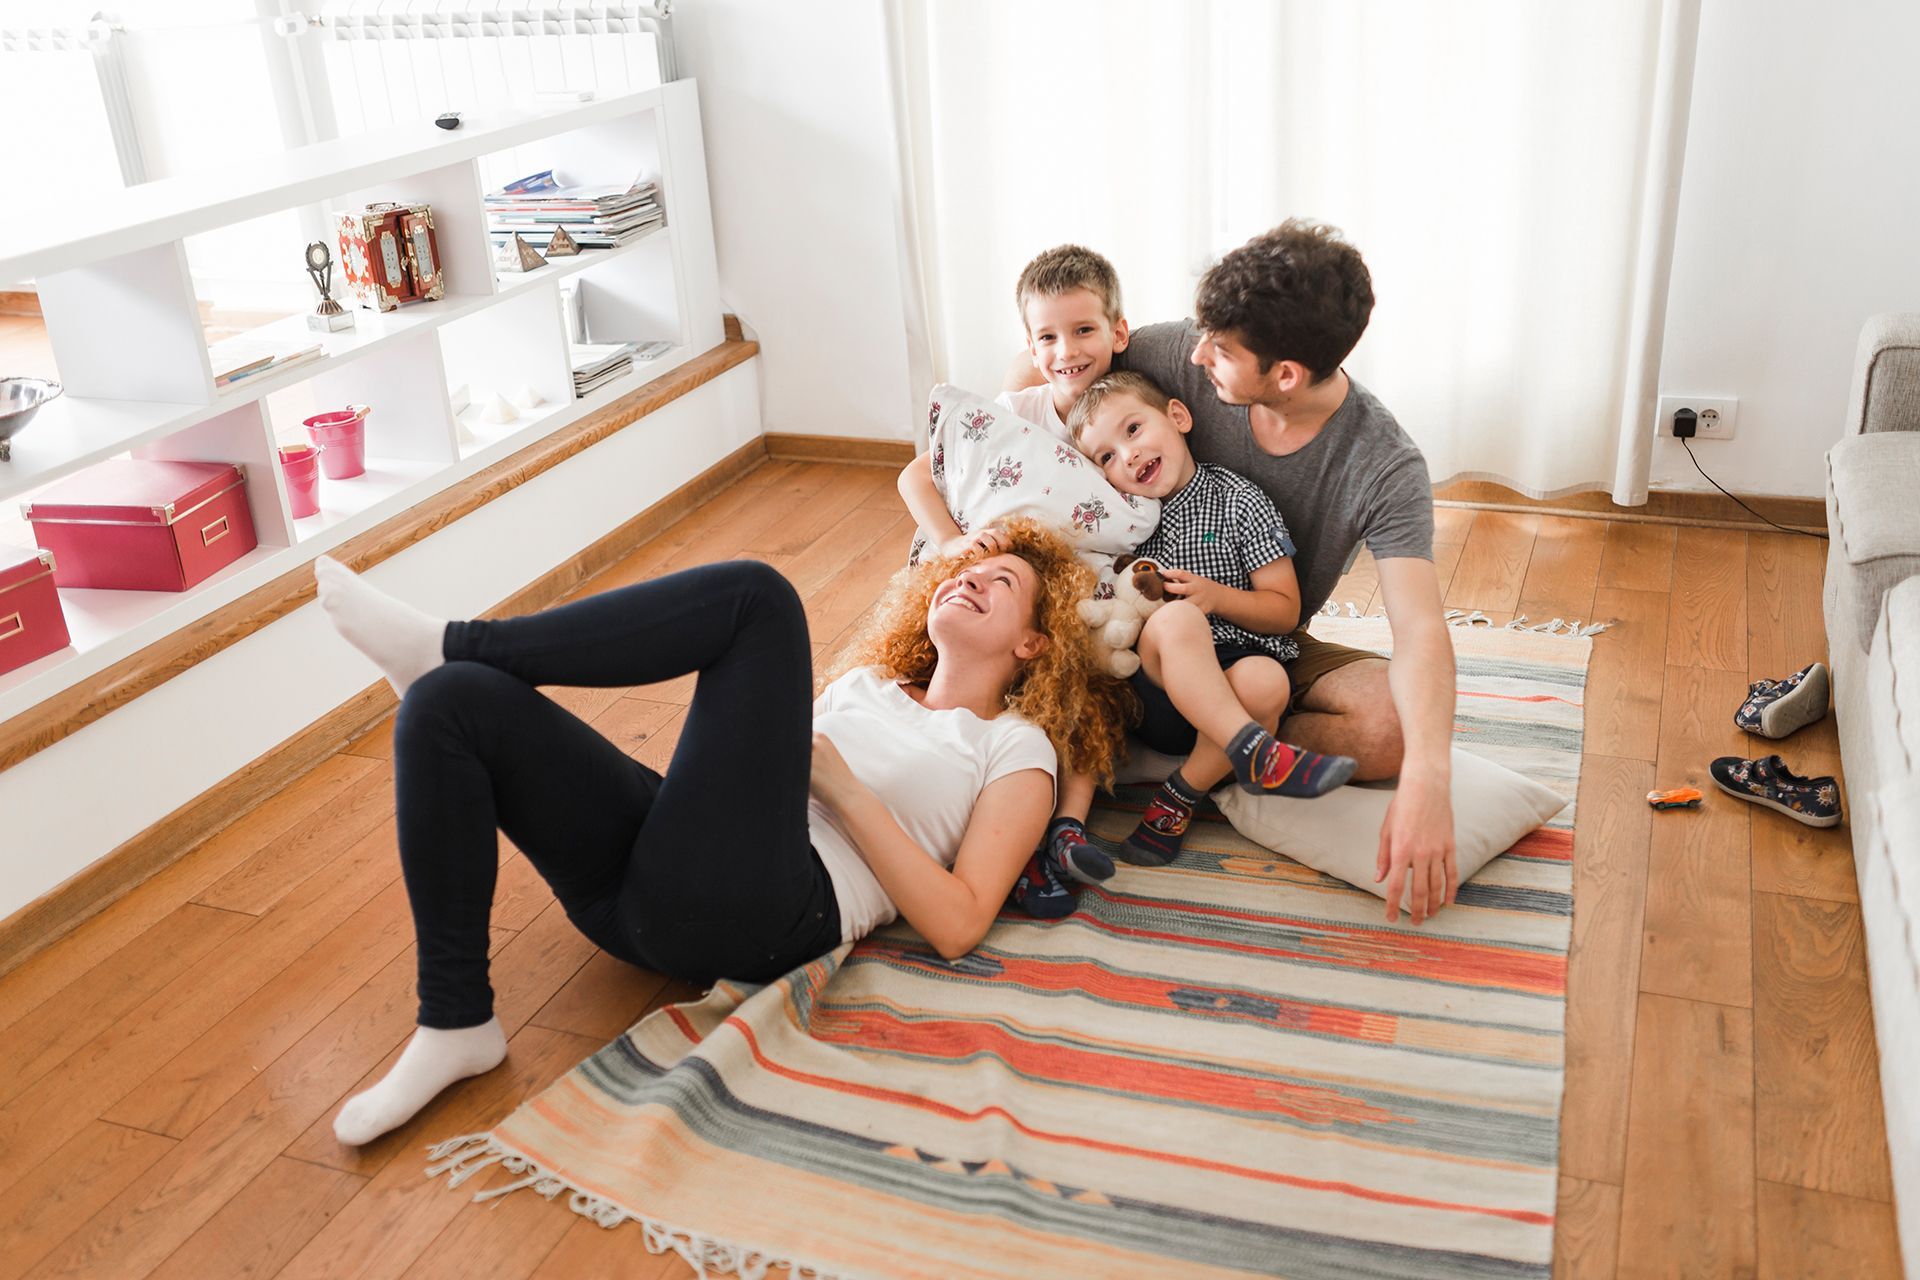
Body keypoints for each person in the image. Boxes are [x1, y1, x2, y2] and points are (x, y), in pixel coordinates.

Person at [308, 519, 1126, 1146]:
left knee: (758, 599)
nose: (970, 578)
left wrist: (840, 787)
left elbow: (959, 921)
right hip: (647, 884)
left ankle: (453, 642)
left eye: (1002, 581)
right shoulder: (871, 683)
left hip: (774, 906)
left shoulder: (1014, 747)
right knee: (447, 704)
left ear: (1034, 643)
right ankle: (456, 1022)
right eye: (966, 568)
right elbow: (737, 771)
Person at [1006, 220, 1459, 923]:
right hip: (1136, 628)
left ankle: (1193, 753)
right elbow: (1044, 366)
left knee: (1391, 731)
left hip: (1253, 630)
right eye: (1202, 330)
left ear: (1284, 375)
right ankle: (1216, 736)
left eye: (1219, 348)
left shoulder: (1382, 463)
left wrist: (1430, 780)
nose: (1196, 352)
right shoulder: (1178, 356)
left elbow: (1422, 628)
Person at [1067, 371, 1356, 866]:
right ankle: (1255, 750)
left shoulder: (1239, 499)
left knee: (1267, 682)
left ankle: (1178, 797)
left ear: (1177, 417)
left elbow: (1285, 609)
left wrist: (1216, 597)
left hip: (1238, 663)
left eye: (1133, 430)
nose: (1128, 456)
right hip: (1159, 685)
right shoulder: (1121, 524)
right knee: (1178, 622)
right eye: (1107, 457)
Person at [898, 243, 1131, 558]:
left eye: (1084, 330)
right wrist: (951, 540)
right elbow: (914, 477)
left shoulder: (1134, 418)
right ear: (1033, 349)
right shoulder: (1014, 413)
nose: (1066, 351)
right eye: (1048, 337)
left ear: (1118, 334)